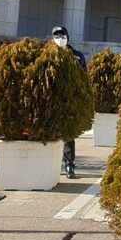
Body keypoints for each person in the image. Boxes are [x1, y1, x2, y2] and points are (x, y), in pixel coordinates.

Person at [51, 25, 86, 179]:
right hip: (50, 101)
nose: (60, 39)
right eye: (56, 36)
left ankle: (69, 165)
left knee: (68, 135)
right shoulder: (47, 55)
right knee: (49, 134)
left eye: (62, 36)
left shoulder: (77, 56)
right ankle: (50, 165)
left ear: (68, 37)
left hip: (69, 100)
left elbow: (84, 78)